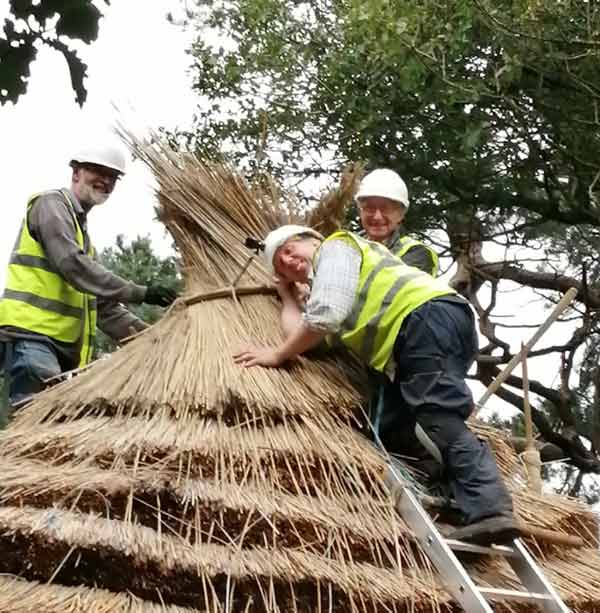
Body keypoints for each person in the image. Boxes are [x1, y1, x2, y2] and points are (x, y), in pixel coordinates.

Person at [234, 224, 519, 545]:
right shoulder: (330, 289)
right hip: (417, 338)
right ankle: (455, 506)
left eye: (289, 251)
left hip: (425, 318)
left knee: (438, 415)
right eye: (282, 267)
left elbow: (324, 316)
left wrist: (276, 354)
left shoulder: (337, 248)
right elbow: (309, 341)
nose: (289, 262)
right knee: (392, 426)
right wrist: (288, 296)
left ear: (312, 239)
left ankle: (490, 508)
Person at [0, 144, 178, 409]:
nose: (105, 181)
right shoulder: (51, 205)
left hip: (63, 351)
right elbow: (72, 265)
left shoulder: (85, 242)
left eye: (113, 177)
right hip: (32, 336)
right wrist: (141, 292)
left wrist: (156, 338)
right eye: (98, 171)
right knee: (38, 416)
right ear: (76, 173)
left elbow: (105, 308)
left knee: (55, 428)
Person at [356, 168, 438, 276]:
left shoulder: (418, 254)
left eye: (386, 209)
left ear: (401, 214)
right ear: (360, 211)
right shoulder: (348, 246)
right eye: (370, 208)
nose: (377, 217)